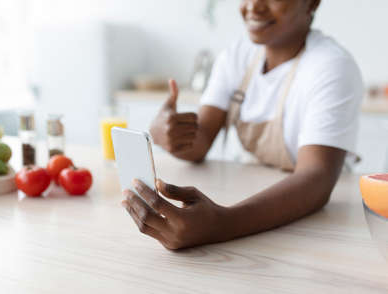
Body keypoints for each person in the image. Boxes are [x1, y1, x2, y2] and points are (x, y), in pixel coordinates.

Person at [121, 0, 363, 250]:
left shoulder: (331, 67)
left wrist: (221, 224)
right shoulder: (238, 55)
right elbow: (200, 141)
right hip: (256, 199)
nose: (254, 6)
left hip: (319, 226)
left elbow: (317, 179)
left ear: (312, 3)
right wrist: (168, 134)